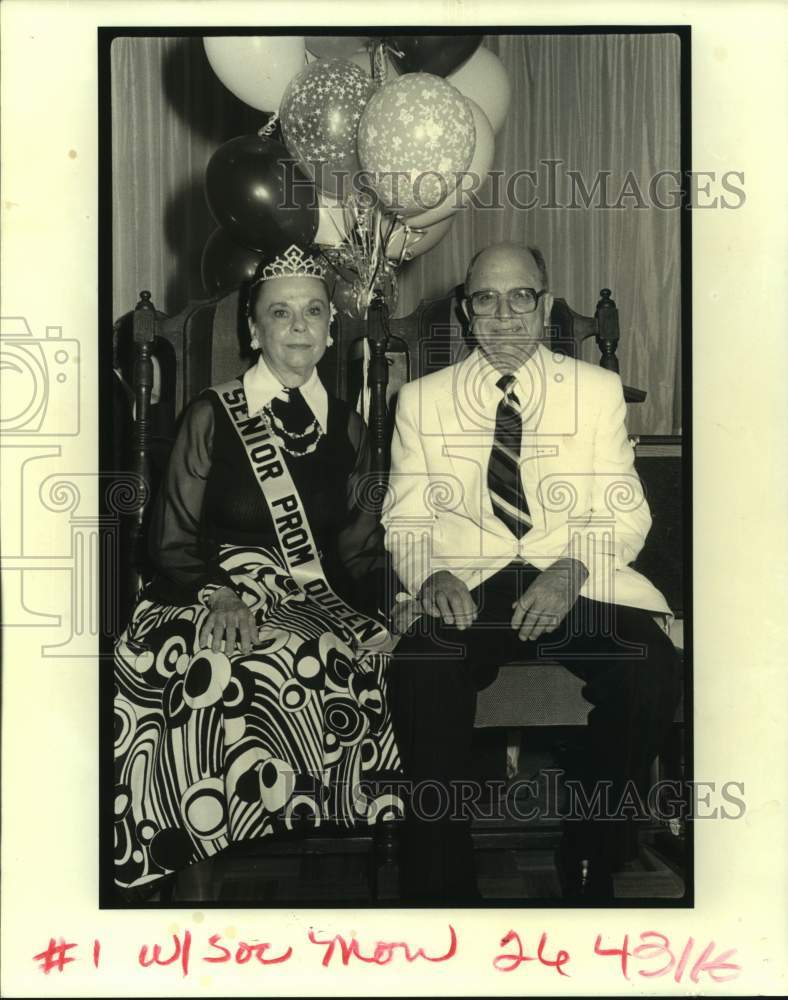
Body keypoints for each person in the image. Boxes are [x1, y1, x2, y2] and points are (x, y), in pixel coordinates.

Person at [382, 241, 681, 902]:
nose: (505, 314)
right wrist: (431, 576)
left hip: (574, 577)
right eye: (486, 298)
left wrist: (573, 566)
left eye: (522, 297)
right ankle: (441, 881)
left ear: (544, 308)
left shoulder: (597, 392)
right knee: (421, 664)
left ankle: (591, 851)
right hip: (472, 585)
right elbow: (404, 522)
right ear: (466, 312)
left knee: (650, 666)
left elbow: (626, 515)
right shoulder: (421, 402)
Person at [113, 245, 402, 897]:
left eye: (313, 313)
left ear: (331, 329)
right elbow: (169, 541)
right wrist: (217, 594)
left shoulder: (348, 431)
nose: (298, 327)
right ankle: (190, 881)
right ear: (253, 330)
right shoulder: (211, 415)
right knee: (206, 663)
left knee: (313, 656)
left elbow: (357, 549)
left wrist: (394, 601)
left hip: (304, 598)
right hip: (199, 588)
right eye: (280, 313)